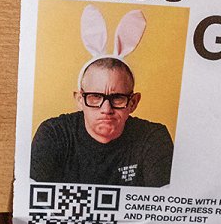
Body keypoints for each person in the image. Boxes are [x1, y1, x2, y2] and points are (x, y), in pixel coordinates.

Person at [30, 56, 174, 187]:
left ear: (133, 102)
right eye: (95, 97)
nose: (106, 109)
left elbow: (164, 203)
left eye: (117, 98)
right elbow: (30, 198)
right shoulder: (54, 134)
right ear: (80, 100)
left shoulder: (153, 138)